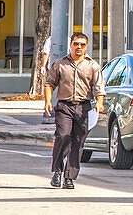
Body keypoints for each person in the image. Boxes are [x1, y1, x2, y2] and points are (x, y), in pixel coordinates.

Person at [44, 32, 105, 189]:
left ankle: (69, 176)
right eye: (76, 43)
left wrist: (99, 103)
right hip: (64, 106)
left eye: (82, 44)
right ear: (71, 44)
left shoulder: (92, 66)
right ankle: (57, 171)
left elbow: (99, 88)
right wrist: (47, 101)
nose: (79, 47)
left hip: (83, 107)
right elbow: (49, 83)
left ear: (86, 47)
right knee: (62, 136)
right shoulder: (60, 64)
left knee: (78, 142)